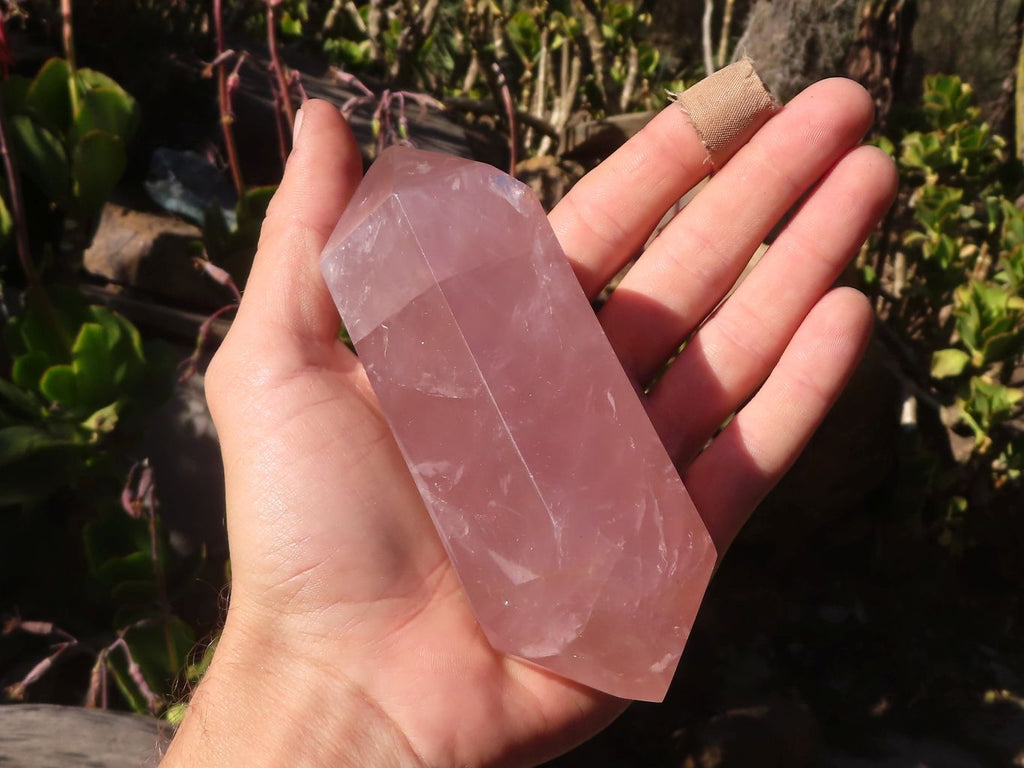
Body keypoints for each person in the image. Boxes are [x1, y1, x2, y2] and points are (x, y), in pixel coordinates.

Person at [160, 77, 896, 767]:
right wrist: (315, 675)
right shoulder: (419, 228)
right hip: (592, 619)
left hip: (599, 617)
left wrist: (311, 694)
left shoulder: (412, 228)